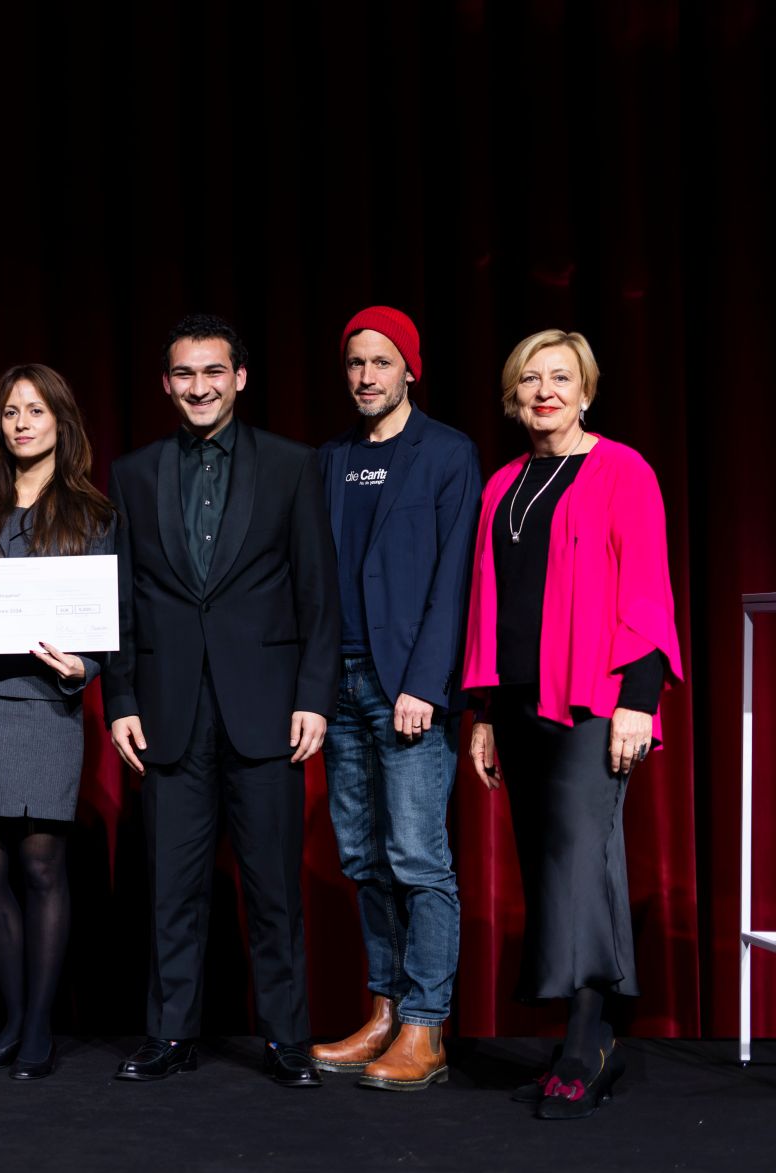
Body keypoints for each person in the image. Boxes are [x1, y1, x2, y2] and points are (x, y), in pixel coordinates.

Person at [102, 312, 339, 1089]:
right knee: (172, 887)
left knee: (274, 888)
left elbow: (318, 592)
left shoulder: (292, 465)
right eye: (183, 374)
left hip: (269, 709)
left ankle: (287, 1038)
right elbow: (122, 598)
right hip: (169, 710)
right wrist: (121, 697)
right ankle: (170, 1033)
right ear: (167, 384)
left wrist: (314, 696)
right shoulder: (134, 473)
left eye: (213, 372)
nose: (198, 386)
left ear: (239, 378)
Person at [463, 330, 681, 1120]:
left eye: (561, 377)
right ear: (513, 395)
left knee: (580, 861)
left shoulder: (622, 469)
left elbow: (650, 587)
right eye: (530, 378)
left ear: (585, 390)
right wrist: (483, 712)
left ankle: (590, 1041)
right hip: (518, 702)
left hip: (595, 698)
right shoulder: (501, 485)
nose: (544, 390)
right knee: (550, 867)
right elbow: (489, 602)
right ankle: (580, 1037)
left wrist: (640, 697)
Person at [310, 307, 481, 1090]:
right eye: (355, 363)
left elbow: (455, 579)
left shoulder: (447, 454)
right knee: (363, 855)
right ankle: (383, 1009)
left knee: (418, 856)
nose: (367, 376)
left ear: (410, 368)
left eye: (381, 362)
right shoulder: (332, 458)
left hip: (405, 686)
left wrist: (426, 682)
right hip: (338, 684)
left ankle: (426, 1025)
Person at [0, 364, 115, 1081]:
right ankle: (13, 1014)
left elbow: (102, 622)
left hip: (45, 703)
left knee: (41, 865)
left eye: (35, 411)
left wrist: (83, 667)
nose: (21, 423)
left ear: (61, 421)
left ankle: (38, 1027)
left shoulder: (92, 511)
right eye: (10, 412)